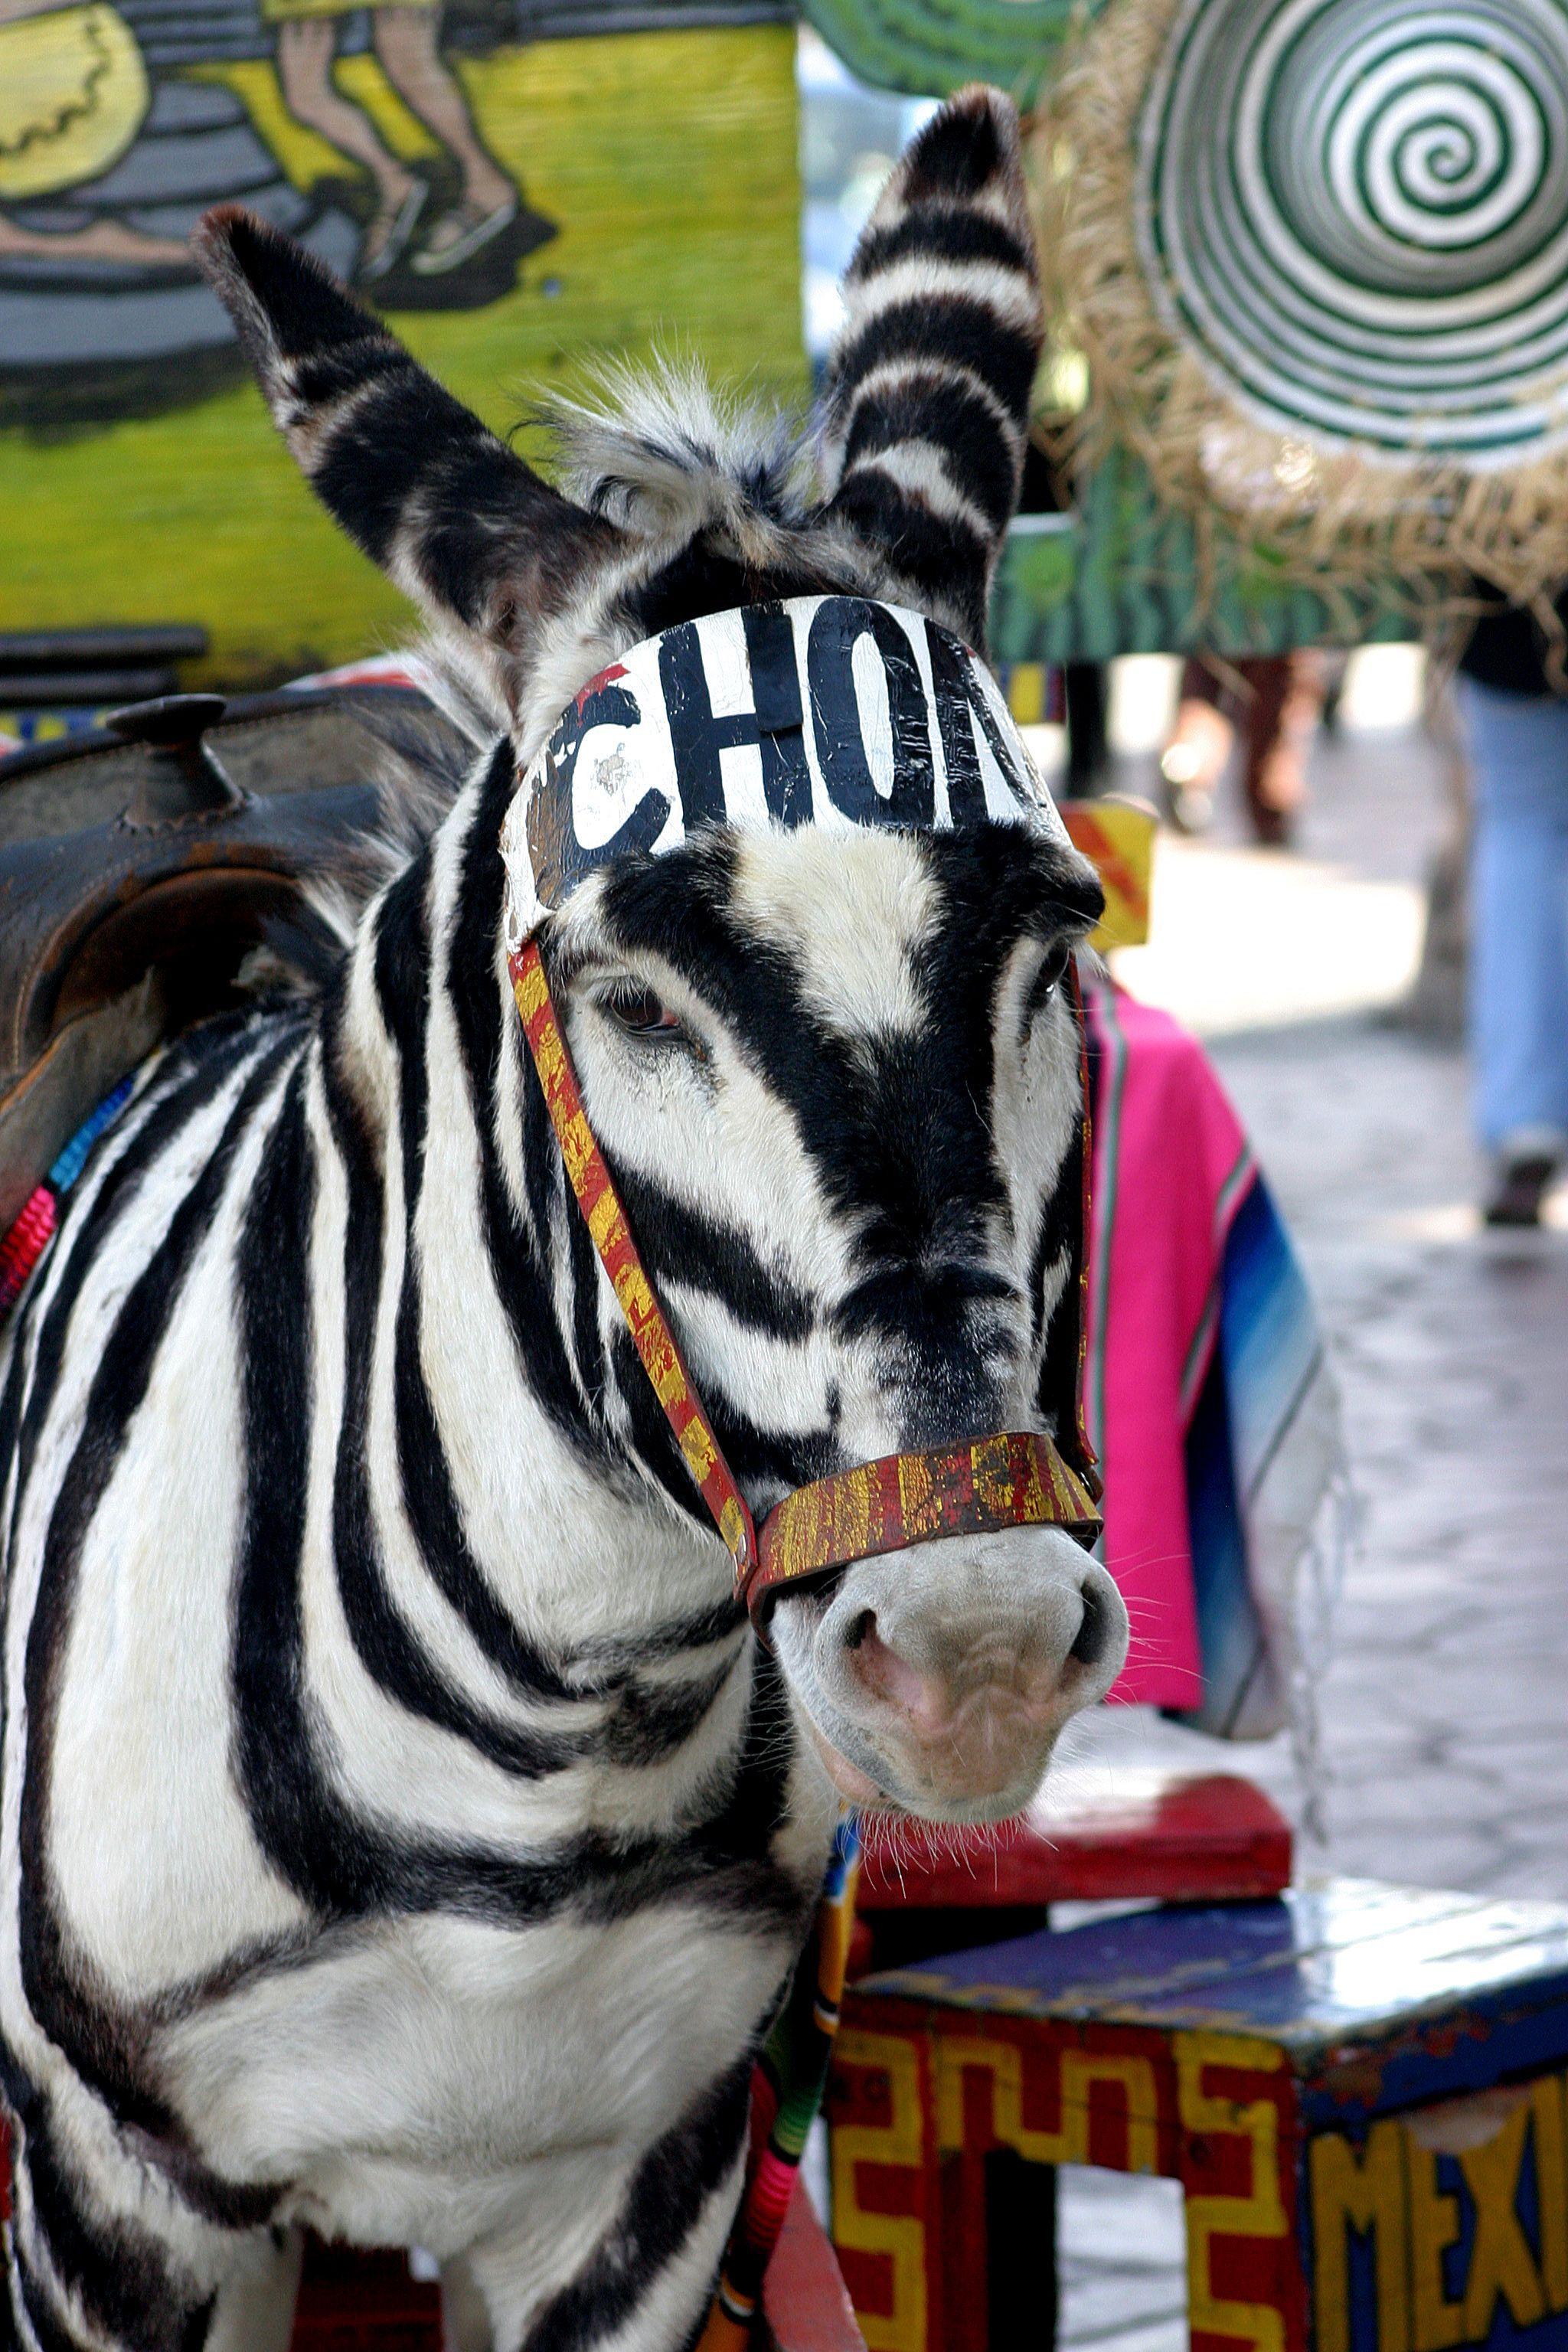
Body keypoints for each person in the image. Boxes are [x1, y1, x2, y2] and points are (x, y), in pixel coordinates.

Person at [1457, 593, 1568, 1227]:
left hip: (1513, 617)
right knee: (1520, 835)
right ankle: (1524, 1121)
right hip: (1510, 625)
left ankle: (1526, 1118)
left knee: (1521, 841)